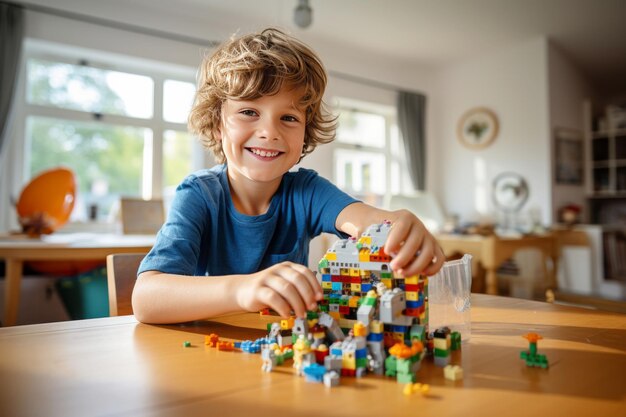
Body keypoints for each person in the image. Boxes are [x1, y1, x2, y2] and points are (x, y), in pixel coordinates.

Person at [132, 28, 444, 324]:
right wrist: (244, 289)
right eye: (249, 112)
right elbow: (146, 299)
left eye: (289, 117)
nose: (269, 132)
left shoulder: (307, 191)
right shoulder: (198, 195)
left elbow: (369, 221)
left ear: (305, 135)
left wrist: (399, 228)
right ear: (217, 125)